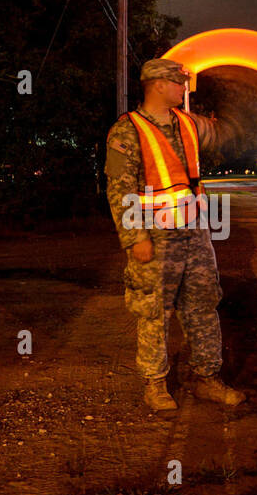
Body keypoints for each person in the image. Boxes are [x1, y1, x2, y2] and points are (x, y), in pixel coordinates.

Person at [104, 58, 246, 412]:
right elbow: (120, 189)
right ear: (158, 85)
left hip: (194, 232)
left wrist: (238, 101)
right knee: (154, 310)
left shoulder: (188, 123)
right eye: (178, 83)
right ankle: (155, 385)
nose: (184, 89)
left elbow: (224, 132)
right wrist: (135, 237)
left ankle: (207, 379)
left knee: (203, 304)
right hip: (154, 234)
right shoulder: (127, 130)